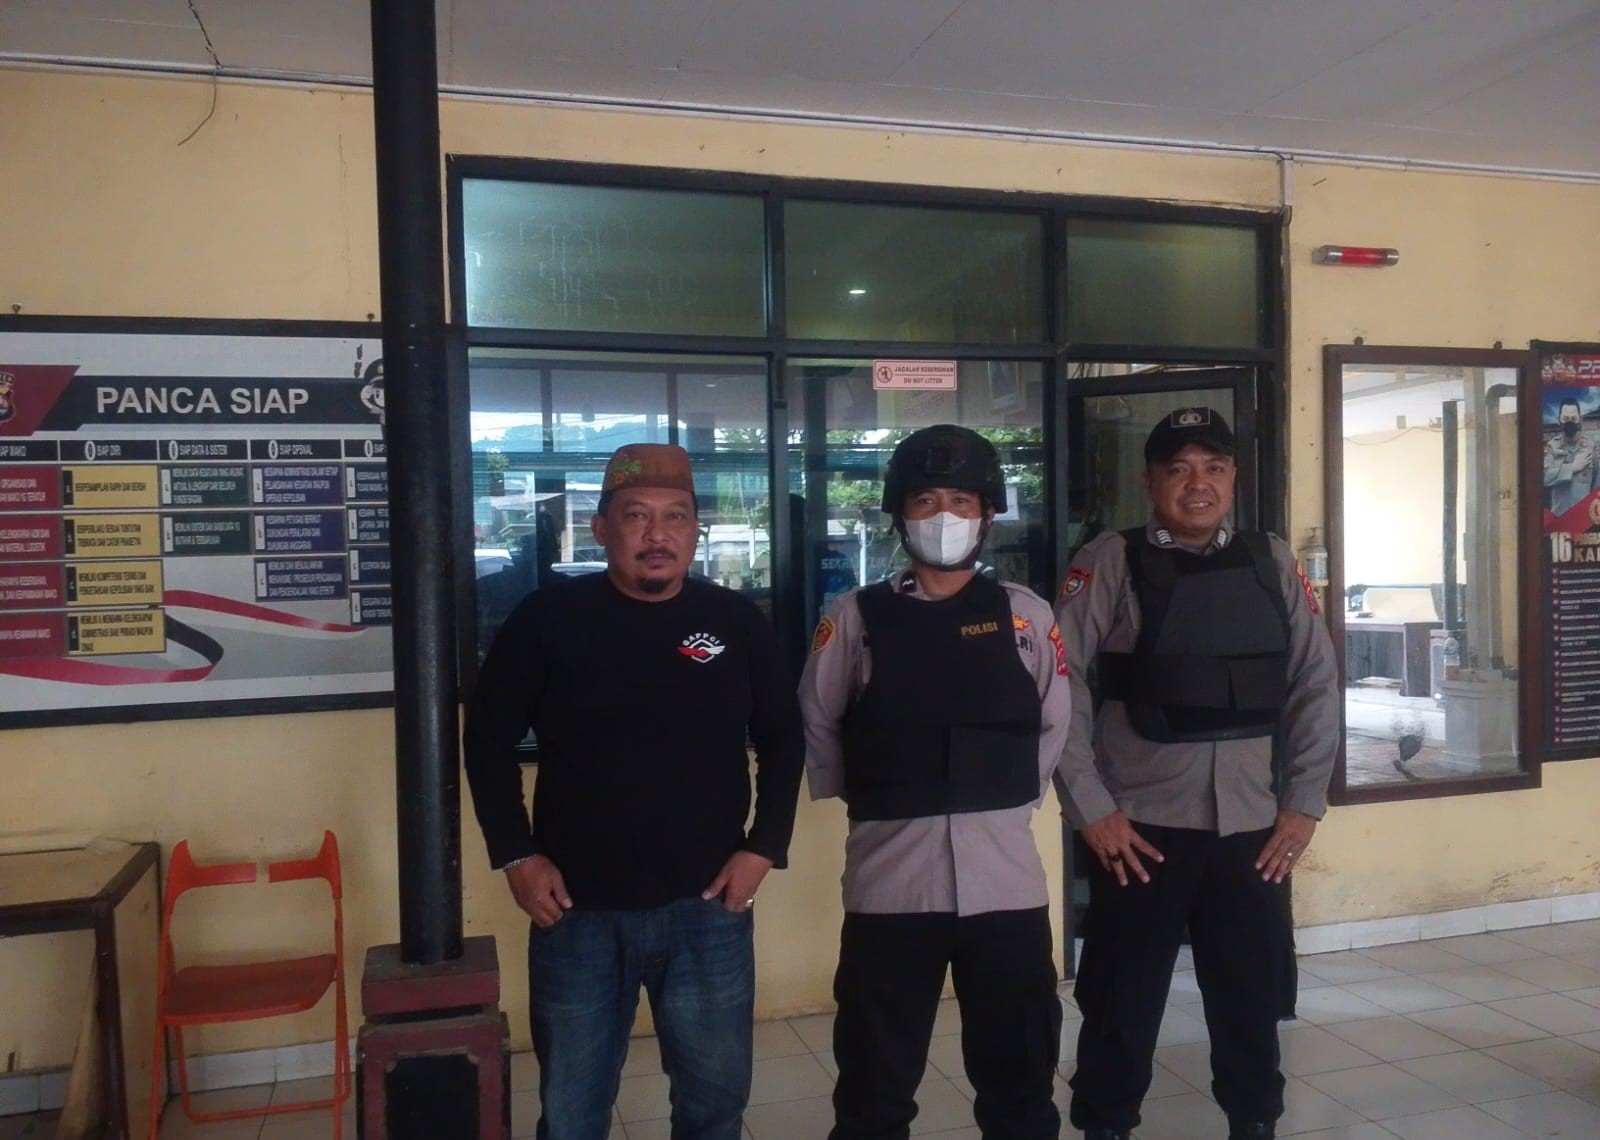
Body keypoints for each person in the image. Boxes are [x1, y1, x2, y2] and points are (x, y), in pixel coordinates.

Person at [463, 443, 805, 1140]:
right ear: (600, 528)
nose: (657, 535)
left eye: (676, 516)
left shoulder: (736, 622)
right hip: (576, 912)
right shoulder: (547, 620)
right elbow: (486, 742)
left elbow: (784, 736)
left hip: (709, 906)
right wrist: (516, 855)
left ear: (695, 530)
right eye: (636, 516)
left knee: (714, 1107)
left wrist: (764, 847)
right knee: (572, 1112)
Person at [1053, 407, 1339, 1140]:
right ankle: (1106, 1124)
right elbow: (1058, 686)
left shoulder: (1270, 560)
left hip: (1253, 827)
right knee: (1120, 1001)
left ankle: (1255, 1120)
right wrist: (1091, 807)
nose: (1198, 484)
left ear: (1234, 477)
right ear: (1150, 481)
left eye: (1214, 467)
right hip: (1138, 830)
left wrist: (1304, 803)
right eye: (1178, 469)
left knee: (1250, 998)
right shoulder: (1108, 561)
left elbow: (1315, 682)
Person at [799, 424, 1071, 1140]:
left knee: (1021, 1086)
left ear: (987, 515)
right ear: (899, 513)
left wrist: (998, 801)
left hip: (1005, 885)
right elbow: (819, 721)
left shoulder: (1026, 615)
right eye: (925, 500)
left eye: (961, 500)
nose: (943, 516)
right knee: (874, 1091)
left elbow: (1052, 726)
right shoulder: (853, 619)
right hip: (891, 886)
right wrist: (883, 793)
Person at [1544, 397, 1594, 517]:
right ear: (1558, 420)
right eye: (1565, 419)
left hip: (1585, 520)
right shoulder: (1551, 448)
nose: (1569, 422)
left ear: (1580, 419)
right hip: (1559, 520)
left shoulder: (1591, 448)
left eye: (1574, 419)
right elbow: (1544, 478)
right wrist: (1573, 467)